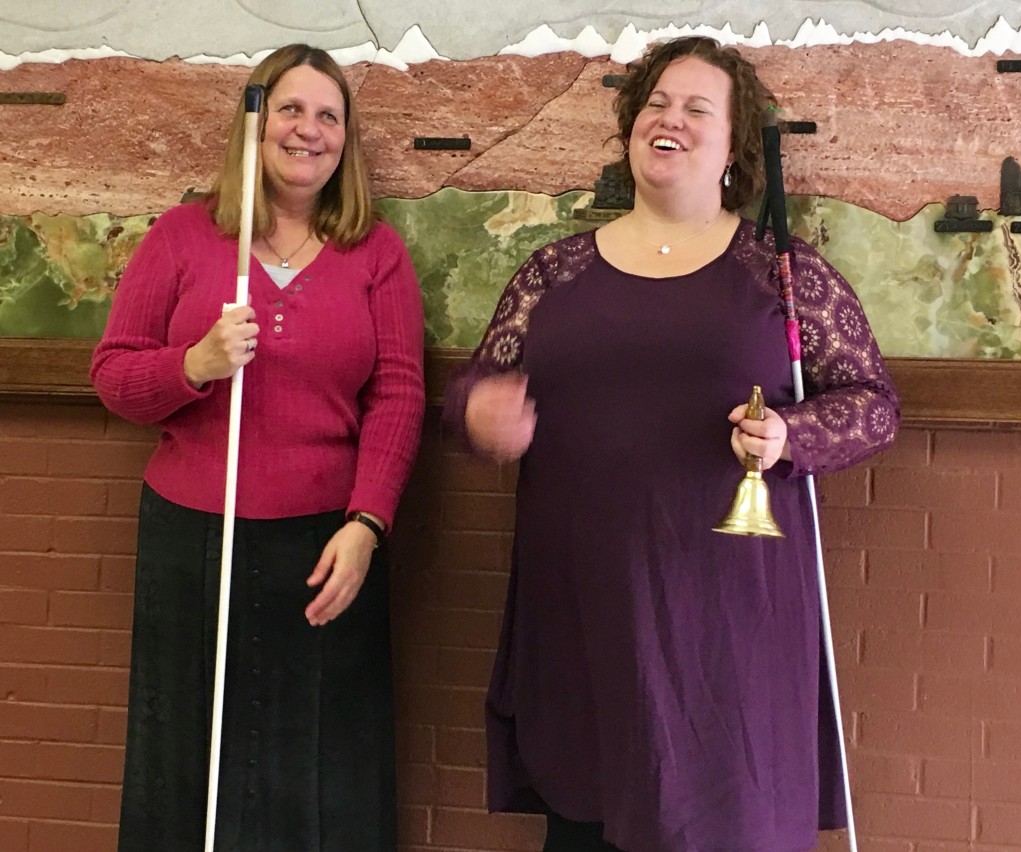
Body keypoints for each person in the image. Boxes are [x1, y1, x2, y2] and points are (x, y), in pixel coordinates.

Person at [445, 36, 899, 852]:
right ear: (629, 129)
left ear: (734, 149)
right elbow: (474, 390)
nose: (671, 120)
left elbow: (872, 406)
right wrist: (479, 415)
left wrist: (792, 434)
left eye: (698, 110)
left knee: (723, 819)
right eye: (656, 103)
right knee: (586, 815)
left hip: (725, 616)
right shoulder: (552, 274)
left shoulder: (783, 275)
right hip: (582, 607)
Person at [91, 44, 424, 851]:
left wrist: (367, 524)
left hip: (325, 544)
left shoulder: (375, 253)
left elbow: (400, 393)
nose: (308, 131)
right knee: (189, 755)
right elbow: (112, 374)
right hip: (195, 540)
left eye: (328, 117)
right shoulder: (183, 237)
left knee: (318, 761)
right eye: (290, 110)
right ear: (255, 124)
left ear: (345, 140)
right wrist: (194, 365)